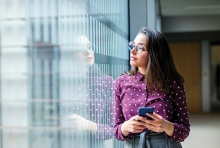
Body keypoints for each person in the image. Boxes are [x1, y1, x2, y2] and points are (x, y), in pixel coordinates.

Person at [114, 27, 190, 148]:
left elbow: (185, 130)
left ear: (155, 54)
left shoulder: (173, 83)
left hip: (166, 144)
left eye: (140, 48)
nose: (132, 51)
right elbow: (116, 130)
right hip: (133, 144)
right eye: (132, 45)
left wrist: (167, 126)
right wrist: (125, 127)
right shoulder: (120, 83)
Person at [49, 36, 114, 148]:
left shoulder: (107, 82)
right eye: (80, 49)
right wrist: (60, 124)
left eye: (89, 46)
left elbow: (113, 129)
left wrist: (88, 125)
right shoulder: (59, 82)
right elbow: (45, 128)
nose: (87, 52)